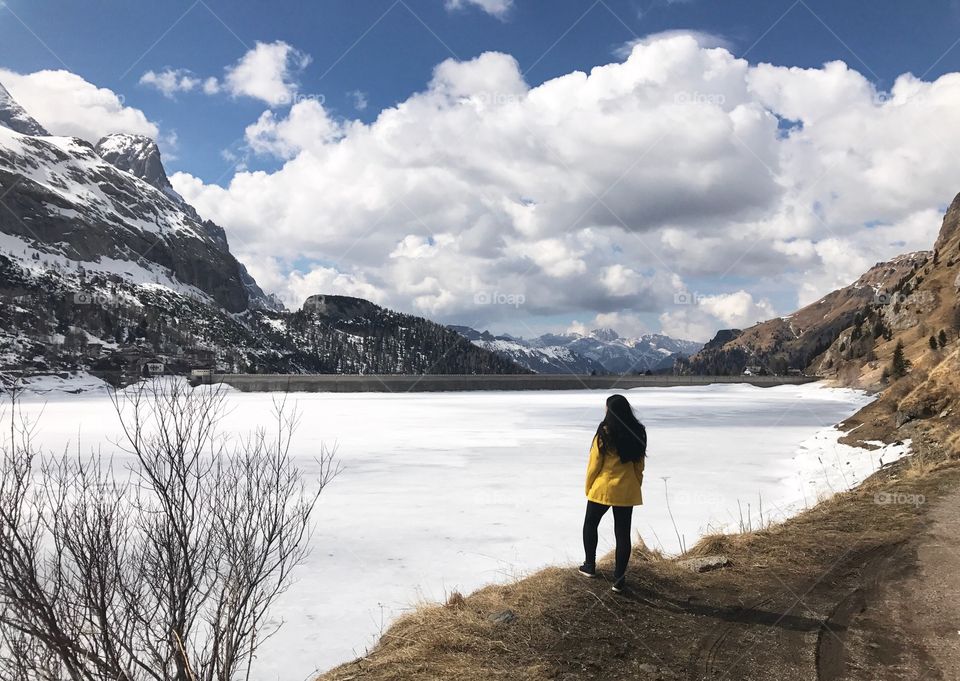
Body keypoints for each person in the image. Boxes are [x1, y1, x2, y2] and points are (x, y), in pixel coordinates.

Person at [579, 393, 647, 593]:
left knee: (591, 523)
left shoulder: (604, 432)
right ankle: (619, 579)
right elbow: (639, 465)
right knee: (622, 532)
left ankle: (589, 566)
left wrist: (589, 487)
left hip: (604, 488)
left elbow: (594, 465)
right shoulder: (639, 432)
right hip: (627, 490)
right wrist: (636, 485)